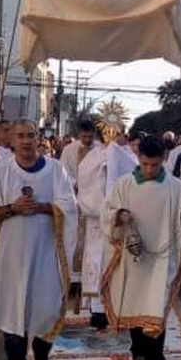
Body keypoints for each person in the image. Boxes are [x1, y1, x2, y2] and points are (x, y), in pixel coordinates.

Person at [0, 119, 78, 360]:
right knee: (13, 313)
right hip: (11, 256)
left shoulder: (54, 169)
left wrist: (43, 207)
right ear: (11, 140)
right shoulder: (1, 172)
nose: (26, 141)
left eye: (31, 135)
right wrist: (10, 209)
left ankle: (41, 354)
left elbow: (69, 206)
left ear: (39, 139)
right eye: (20, 136)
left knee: (45, 308)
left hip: (45, 252)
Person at [101, 135, 181, 360]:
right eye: (145, 164)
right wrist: (119, 216)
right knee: (136, 307)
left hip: (162, 259)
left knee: (156, 311)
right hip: (134, 257)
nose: (150, 170)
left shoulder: (175, 187)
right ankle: (139, 359)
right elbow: (108, 212)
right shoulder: (124, 184)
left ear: (163, 160)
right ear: (138, 159)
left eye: (155, 165)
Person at [61, 119, 108, 326]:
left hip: (94, 207)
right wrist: (76, 184)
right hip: (75, 203)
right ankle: (74, 287)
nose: (87, 140)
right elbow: (64, 175)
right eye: (83, 136)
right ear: (78, 134)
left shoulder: (101, 151)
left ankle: (92, 296)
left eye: (90, 137)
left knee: (94, 254)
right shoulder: (70, 150)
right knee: (74, 244)